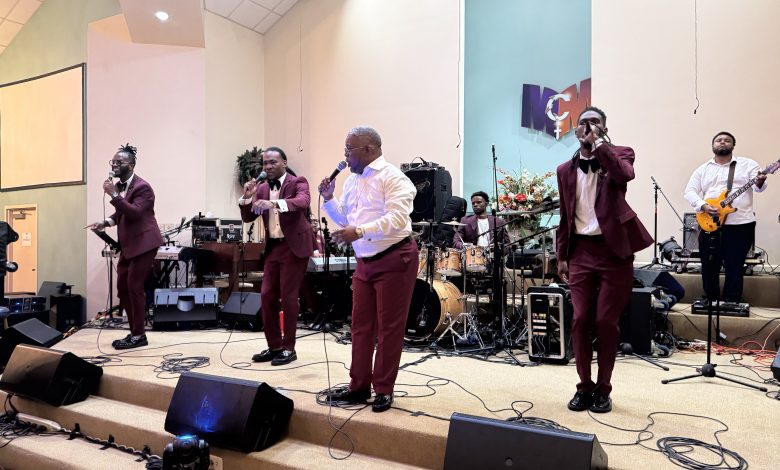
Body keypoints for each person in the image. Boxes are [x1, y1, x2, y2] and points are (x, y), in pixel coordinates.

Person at [556, 107, 653, 413]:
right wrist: (561, 256)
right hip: (581, 252)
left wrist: (599, 145)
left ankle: (603, 389)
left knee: (606, 321)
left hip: (614, 252)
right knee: (580, 319)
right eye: (584, 123)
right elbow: (565, 216)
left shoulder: (620, 154)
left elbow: (625, 175)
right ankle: (584, 386)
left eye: (595, 123)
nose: (588, 127)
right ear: (575, 131)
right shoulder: (564, 170)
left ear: (604, 128)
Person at [318, 126, 418, 413]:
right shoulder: (352, 181)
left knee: (389, 328)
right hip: (365, 261)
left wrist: (359, 231)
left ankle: (384, 389)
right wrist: (329, 199)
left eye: (348, 149)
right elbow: (346, 220)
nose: (345, 155)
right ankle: (358, 386)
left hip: (394, 257)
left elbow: (397, 219)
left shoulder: (393, 177)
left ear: (368, 149)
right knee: (360, 326)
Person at [239, 147, 313, 366]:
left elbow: (302, 202)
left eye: (273, 162)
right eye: (265, 163)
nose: (268, 166)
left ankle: (289, 348)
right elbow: (248, 217)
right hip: (273, 248)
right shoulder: (261, 188)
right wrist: (247, 197)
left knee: (288, 297)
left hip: (294, 247)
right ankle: (274, 346)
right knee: (266, 295)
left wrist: (273, 204)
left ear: (284, 162)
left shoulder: (298, 181)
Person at [87, 144, 163, 349]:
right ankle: (134, 331)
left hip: (145, 244)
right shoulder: (122, 186)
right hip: (130, 246)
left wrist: (113, 195)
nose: (114, 165)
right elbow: (121, 211)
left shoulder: (143, 187)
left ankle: (139, 335)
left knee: (134, 287)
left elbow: (135, 212)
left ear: (131, 165)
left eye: (118, 162)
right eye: (113, 162)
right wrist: (105, 223)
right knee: (122, 288)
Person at [684, 131, 767, 303]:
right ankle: (710, 300)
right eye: (719, 140)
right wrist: (703, 205)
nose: (722, 142)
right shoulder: (703, 169)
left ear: (733, 145)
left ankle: (731, 301)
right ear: (713, 145)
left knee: (735, 265)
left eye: (727, 140)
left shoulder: (748, 164)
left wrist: (759, 181)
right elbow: (689, 191)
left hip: (740, 223)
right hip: (709, 223)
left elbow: (759, 187)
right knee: (709, 264)